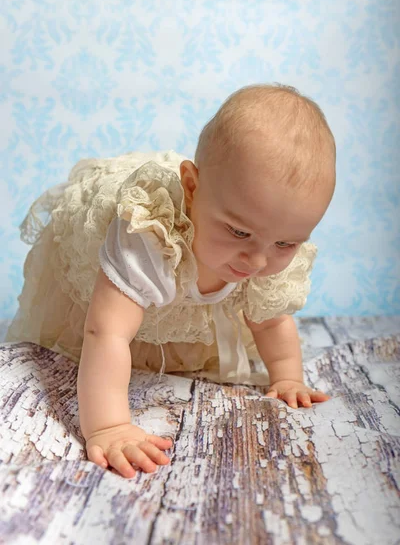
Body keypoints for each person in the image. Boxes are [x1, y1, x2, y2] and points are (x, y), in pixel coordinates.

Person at [6, 84, 336, 479]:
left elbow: (269, 318)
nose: (258, 259)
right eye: (238, 232)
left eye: (285, 243)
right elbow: (105, 332)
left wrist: (286, 377)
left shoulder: (261, 249)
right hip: (114, 295)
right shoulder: (149, 234)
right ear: (192, 189)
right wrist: (109, 426)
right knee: (121, 320)